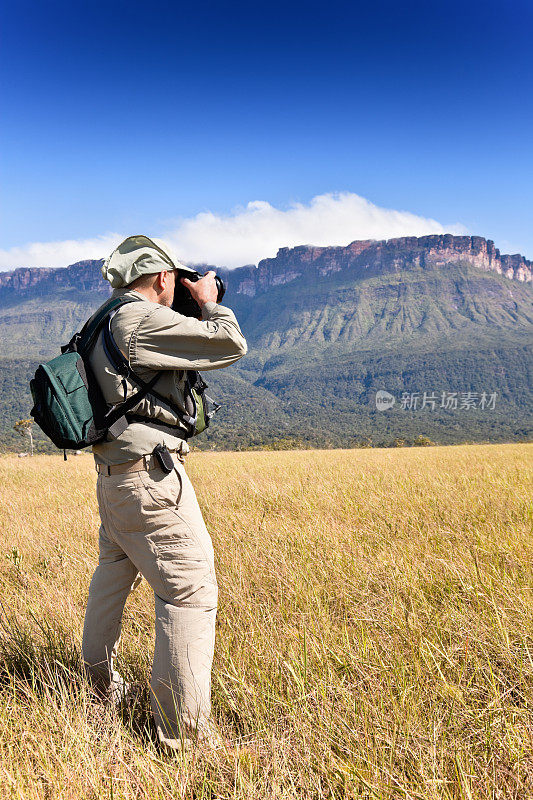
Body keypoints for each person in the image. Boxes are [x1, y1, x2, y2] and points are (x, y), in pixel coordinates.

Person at [81, 235, 247, 752]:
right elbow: (227, 343)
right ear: (161, 279)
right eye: (174, 277)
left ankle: (95, 692)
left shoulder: (100, 323)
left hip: (115, 479)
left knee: (112, 578)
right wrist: (207, 300)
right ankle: (184, 738)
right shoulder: (139, 321)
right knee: (189, 592)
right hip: (152, 480)